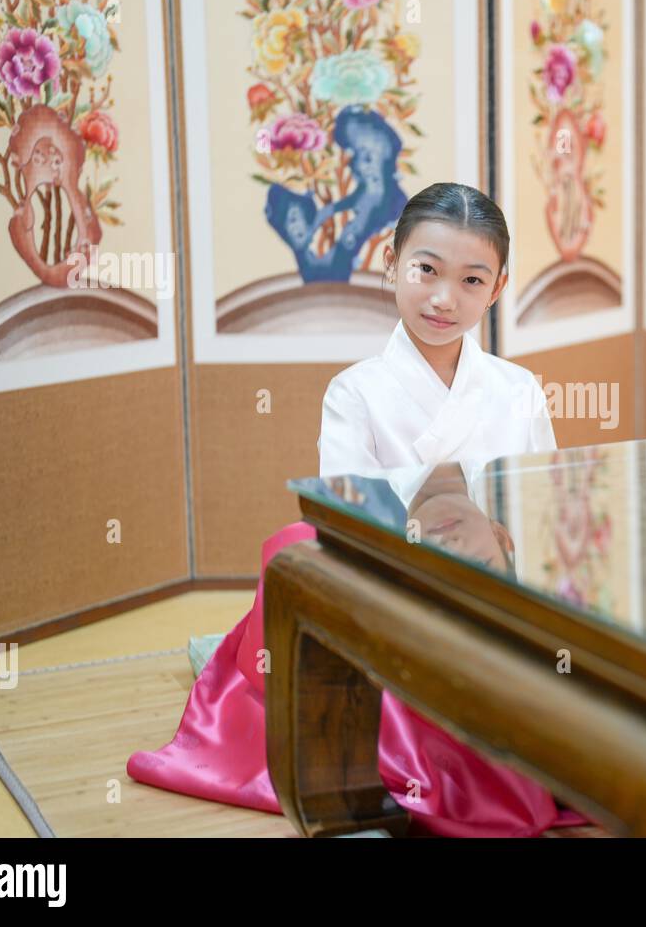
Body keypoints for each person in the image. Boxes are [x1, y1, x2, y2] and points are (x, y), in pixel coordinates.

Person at [127, 183, 585, 836]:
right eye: (426, 270)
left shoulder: (518, 390)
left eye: (471, 279)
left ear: (499, 286)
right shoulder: (356, 392)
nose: (443, 298)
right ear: (390, 262)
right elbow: (347, 518)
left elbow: (543, 506)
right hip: (394, 586)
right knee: (292, 546)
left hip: (493, 594)